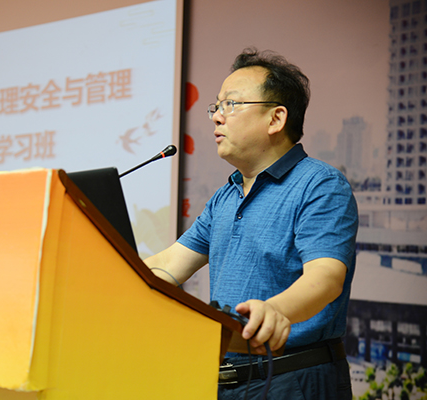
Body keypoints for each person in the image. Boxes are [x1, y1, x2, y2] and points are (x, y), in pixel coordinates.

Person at [144, 48, 358, 399]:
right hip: (224, 382)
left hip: (293, 378)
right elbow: (168, 264)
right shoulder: (225, 196)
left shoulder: (319, 184)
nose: (216, 117)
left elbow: (326, 277)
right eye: (216, 107)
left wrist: (274, 310)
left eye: (230, 104)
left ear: (276, 119)